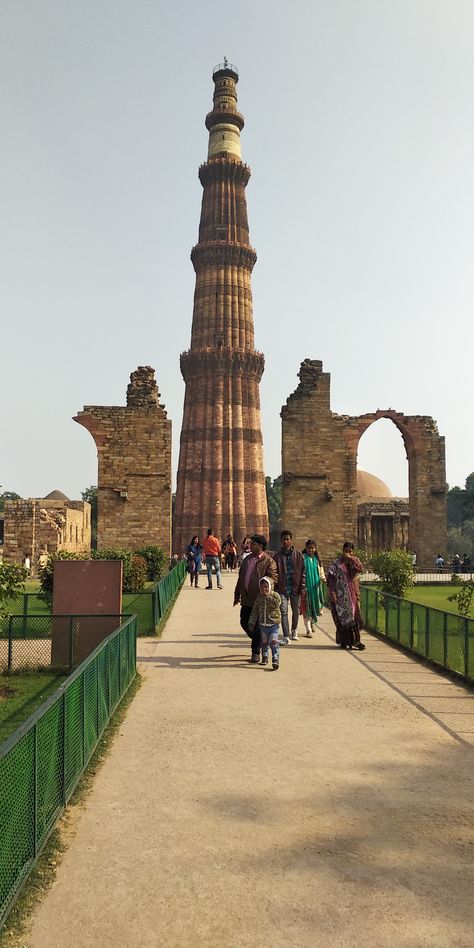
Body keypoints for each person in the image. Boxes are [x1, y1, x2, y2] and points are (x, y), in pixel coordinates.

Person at [233, 534, 278, 663]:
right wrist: (237, 594)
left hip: (260, 600)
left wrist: (266, 593)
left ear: (261, 546)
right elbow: (241, 578)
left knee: (257, 626)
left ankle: (256, 651)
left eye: (253, 543)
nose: (250, 545)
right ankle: (263, 641)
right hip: (247, 599)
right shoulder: (248, 560)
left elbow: (273, 579)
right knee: (244, 622)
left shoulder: (268, 561)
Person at [326, 542, 366, 650]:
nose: (348, 553)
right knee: (341, 620)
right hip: (340, 597)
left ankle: (356, 641)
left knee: (355, 619)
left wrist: (351, 559)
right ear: (343, 551)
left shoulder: (355, 561)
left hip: (353, 596)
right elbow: (330, 578)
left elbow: (360, 568)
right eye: (346, 551)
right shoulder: (337, 564)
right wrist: (332, 594)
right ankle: (344, 641)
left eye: (350, 551)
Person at [274, 529, 305, 644]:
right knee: (284, 612)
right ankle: (286, 635)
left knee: (296, 611)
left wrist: (302, 587)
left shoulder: (298, 555)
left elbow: (303, 572)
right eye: (283, 540)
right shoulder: (277, 556)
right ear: (281, 541)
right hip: (282, 588)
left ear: (291, 540)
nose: (285, 541)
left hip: (295, 588)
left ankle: (294, 630)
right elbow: (274, 573)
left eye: (287, 539)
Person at [248, 577, 281, 670]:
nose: (264, 589)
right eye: (262, 587)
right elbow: (255, 610)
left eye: (266, 587)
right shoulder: (259, 598)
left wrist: (268, 596)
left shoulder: (275, 596)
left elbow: (276, 604)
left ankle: (275, 659)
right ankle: (265, 657)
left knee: (273, 642)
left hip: (273, 624)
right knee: (264, 643)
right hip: (263, 625)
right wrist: (251, 622)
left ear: (270, 587)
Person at [301, 539, 325, 637]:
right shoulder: (302, 559)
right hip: (305, 588)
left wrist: (323, 578)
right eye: (309, 548)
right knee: (306, 608)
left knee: (315, 607)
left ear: (315, 549)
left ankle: (313, 623)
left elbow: (321, 572)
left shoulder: (317, 560)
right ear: (306, 548)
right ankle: (308, 630)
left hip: (315, 588)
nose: (310, 550)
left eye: (312, 548)